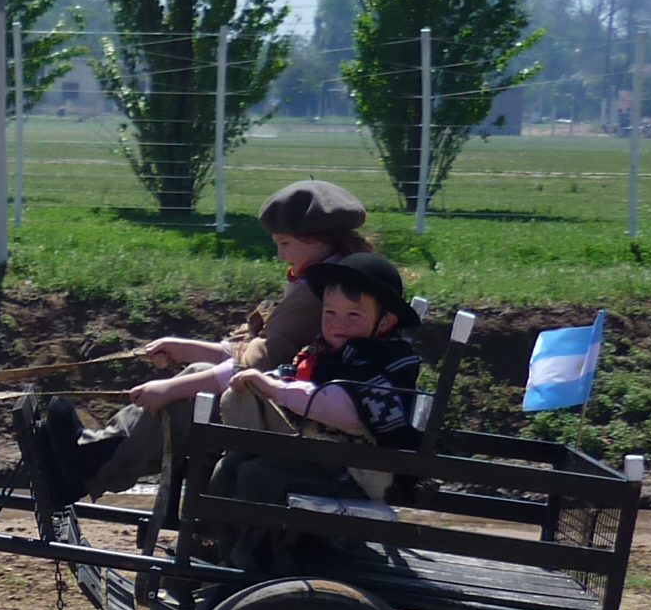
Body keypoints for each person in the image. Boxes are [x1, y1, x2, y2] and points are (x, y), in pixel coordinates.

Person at [39, 179, 379, 501]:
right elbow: (260, 351)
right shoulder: (335, 279)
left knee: (196, 392)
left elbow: (258, 362)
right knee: (199, 377)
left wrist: (170, 389)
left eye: (284, 244)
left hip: (308, 419)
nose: (280, 255)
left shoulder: (320, 291)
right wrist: (183, 346)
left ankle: (95, 461)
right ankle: (95, 457)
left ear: (316, 240)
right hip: (304, 405)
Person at [210, 251, 424, 569]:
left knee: (260, 476)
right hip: (319, 458)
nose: (338, 324)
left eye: (354, 315)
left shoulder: (384, 361)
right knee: (230, 468)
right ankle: (228, 551)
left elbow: (341, 406)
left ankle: (254, 563)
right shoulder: (324, 353)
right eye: (330, 313)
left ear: (387, 321)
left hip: (355, 473)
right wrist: (265, 382)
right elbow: (293, 378)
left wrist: (276, 389)